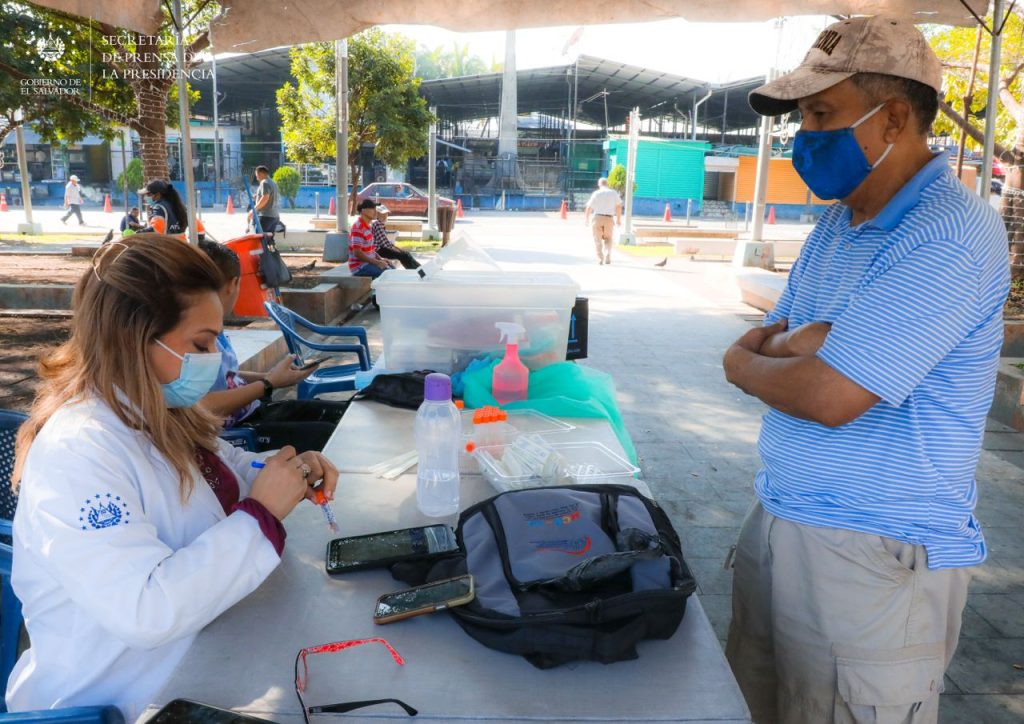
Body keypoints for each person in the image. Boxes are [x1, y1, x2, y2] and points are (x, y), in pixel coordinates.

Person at [721, 16, 1010, 724]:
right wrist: (802, 344)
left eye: (821, 114)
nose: (804, 136)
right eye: (802, 116)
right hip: (783, 520)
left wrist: (743, 363)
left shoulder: (946, 233)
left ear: (894, 120)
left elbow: (827, 394)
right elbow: (780, 339)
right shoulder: (839, 224)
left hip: (874, 559)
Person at [6, 235, 337, 718]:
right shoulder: (79, 450)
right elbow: (145, 611)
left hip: (193, 667)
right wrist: (260, 515)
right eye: (201, 343)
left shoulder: (156, 411)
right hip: (111, 702)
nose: (214, 355)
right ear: (135, 338)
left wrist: (289, 470)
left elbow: (226, 473)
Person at [198, 240, 351, 452]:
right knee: (332, 436)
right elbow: (202, 406)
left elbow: (226, 375)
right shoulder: (195, 337)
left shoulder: (214, 327)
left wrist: (269, 376)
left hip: (254, 410)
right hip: (236, 431)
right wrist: (269, 383)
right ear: (233, 284)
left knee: (345, 415)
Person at [348, 198, 393, 278]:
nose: (375, 211)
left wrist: (381, 259)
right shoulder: (358, 227)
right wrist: (377, 262)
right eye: (372, 208)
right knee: (388, 275)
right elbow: (357, 253)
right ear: (363, 211)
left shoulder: (368, 226)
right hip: (360, 267)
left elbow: (371, 250)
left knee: (392, 270)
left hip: (369, 264)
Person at [583, 177, 622, 265]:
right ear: (607, 184)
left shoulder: (596, 193)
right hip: (609, 218)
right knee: (608, 238)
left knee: (598, 239)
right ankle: (608, 254)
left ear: (599, 184)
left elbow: (589, 207)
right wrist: (619, 219)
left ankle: (600, 258)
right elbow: (619, 206)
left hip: (597, 218)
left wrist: (587, 219)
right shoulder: (613, 193)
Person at [370, 203, 420, 270]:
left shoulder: (378, 224)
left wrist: (396, 248)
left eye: (386, 214)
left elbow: (386, 242)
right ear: (378, 215)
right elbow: (384, 243)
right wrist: (396, 249)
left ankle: (418, 268)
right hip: (378, 251)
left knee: (405, 253)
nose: (385, 216)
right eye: (383, 214)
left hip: (380, 249)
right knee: (402, 255)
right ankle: (416, 269)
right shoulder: (378, 224)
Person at [252, 165, 282, 235]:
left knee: (259, 239)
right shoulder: (273, 183)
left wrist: (254, 209)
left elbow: (265, 198)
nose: (257, 178)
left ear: (261, 174)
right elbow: (271, 197)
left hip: (265, 216)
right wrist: (257, 197)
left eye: (257, 175)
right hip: (274, 217)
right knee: (268, 240)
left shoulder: (264, 183)